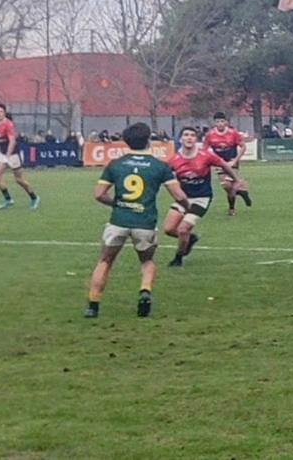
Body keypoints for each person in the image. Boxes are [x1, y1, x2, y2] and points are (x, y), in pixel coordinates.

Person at [84, 122, 191, 319]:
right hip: (145, 222)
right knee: (147, 261)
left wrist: (117, 204)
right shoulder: (160, 166)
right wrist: (187, 206)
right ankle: (144, 291)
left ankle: (93, 305)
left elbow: (99, 194)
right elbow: (178, 195)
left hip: (118, 221)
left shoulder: (115, 164)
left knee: (105, 261)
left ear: (126, 142)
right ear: (149, 140)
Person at [164, 127, 250, 268]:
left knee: (183, 229)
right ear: (180, 139)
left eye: (192, 135)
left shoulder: (206, 156)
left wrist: (236, 179)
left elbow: (224, 165)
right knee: (168, 229)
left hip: (201, 198)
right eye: (186, 135)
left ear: (196, 140)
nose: (189, 137)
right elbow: (165, 175)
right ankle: (191, 239)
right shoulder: (174, 159)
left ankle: (178, 258)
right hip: (183, 198)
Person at [0, 104, 40, 210]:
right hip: (3, 154)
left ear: (4, 113)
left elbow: (12, 141)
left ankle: (34, 197)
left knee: (19, 180)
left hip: (13, 155)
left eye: (1, 112)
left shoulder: (9, 124)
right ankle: (8, 199)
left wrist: (7, 156)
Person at [204, 112, 255, 216]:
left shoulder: (233, 133)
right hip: (219, 164)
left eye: (222, 121)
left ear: (226, 122)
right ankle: (242, 192)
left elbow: (243, 147)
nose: (220, 124)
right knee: (227, 187)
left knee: (229, 184)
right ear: (214, 123)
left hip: (232, 163)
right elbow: (204, 150)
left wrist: (235, 160)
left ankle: (232, 209)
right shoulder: (210, 135)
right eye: (217, 121)